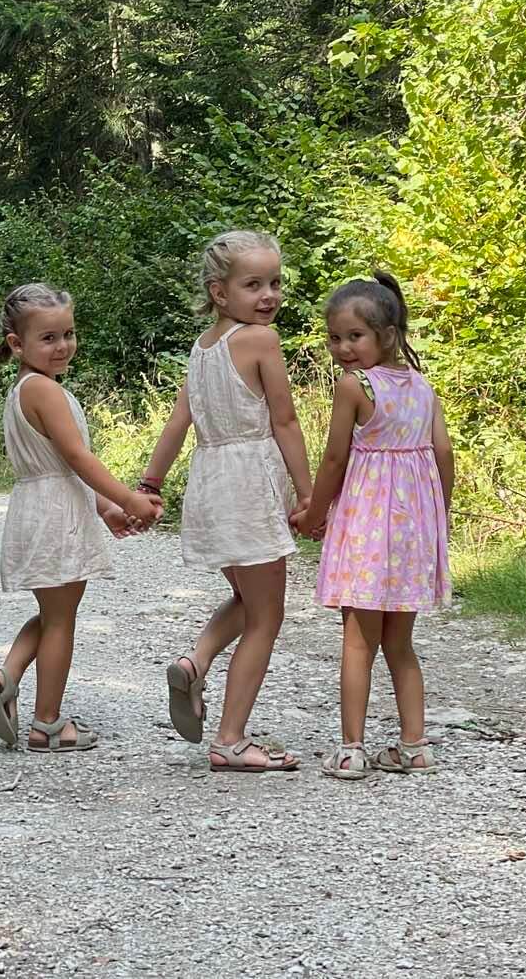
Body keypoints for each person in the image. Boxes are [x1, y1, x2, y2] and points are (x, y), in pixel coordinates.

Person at [139, 231, 312, 772]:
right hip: (249, 484)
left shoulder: (203, 346)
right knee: (267, 616)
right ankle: (231, 739)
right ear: (219, 291)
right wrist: (310, 495)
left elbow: (178, 421)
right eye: (253, 284)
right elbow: (284, 420)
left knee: (247, 599)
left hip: (212, 482)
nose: (269, 295)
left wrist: (150, 484)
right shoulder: (262, 341)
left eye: (276, 283)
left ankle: (196, 661)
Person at [0, 283, 161, 753]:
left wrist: (105, 509)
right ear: (17, 344)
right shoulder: (44, 390)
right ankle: (47, 724)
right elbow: (78, 459)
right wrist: (130, 498)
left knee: (53, 612)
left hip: (43, 508)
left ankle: (7, 676)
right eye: (49, 338)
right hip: (56, 514)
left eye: (69, 334)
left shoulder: (27, 389)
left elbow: (60, 464)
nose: (62, 346)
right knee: (61, 621)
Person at [292, 272, 453, 780]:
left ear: (385, 334)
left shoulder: (354, 386)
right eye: (334, 338)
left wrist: (314, 513)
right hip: (412, 533)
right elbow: (444, 455)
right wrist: (438, 520)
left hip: (367, 529)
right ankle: (414, 745)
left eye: (353, 337)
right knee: (400, 645)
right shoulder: (423, 388)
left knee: (358, 640)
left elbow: (336, 456)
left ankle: (352, 748)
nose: (342, 348)